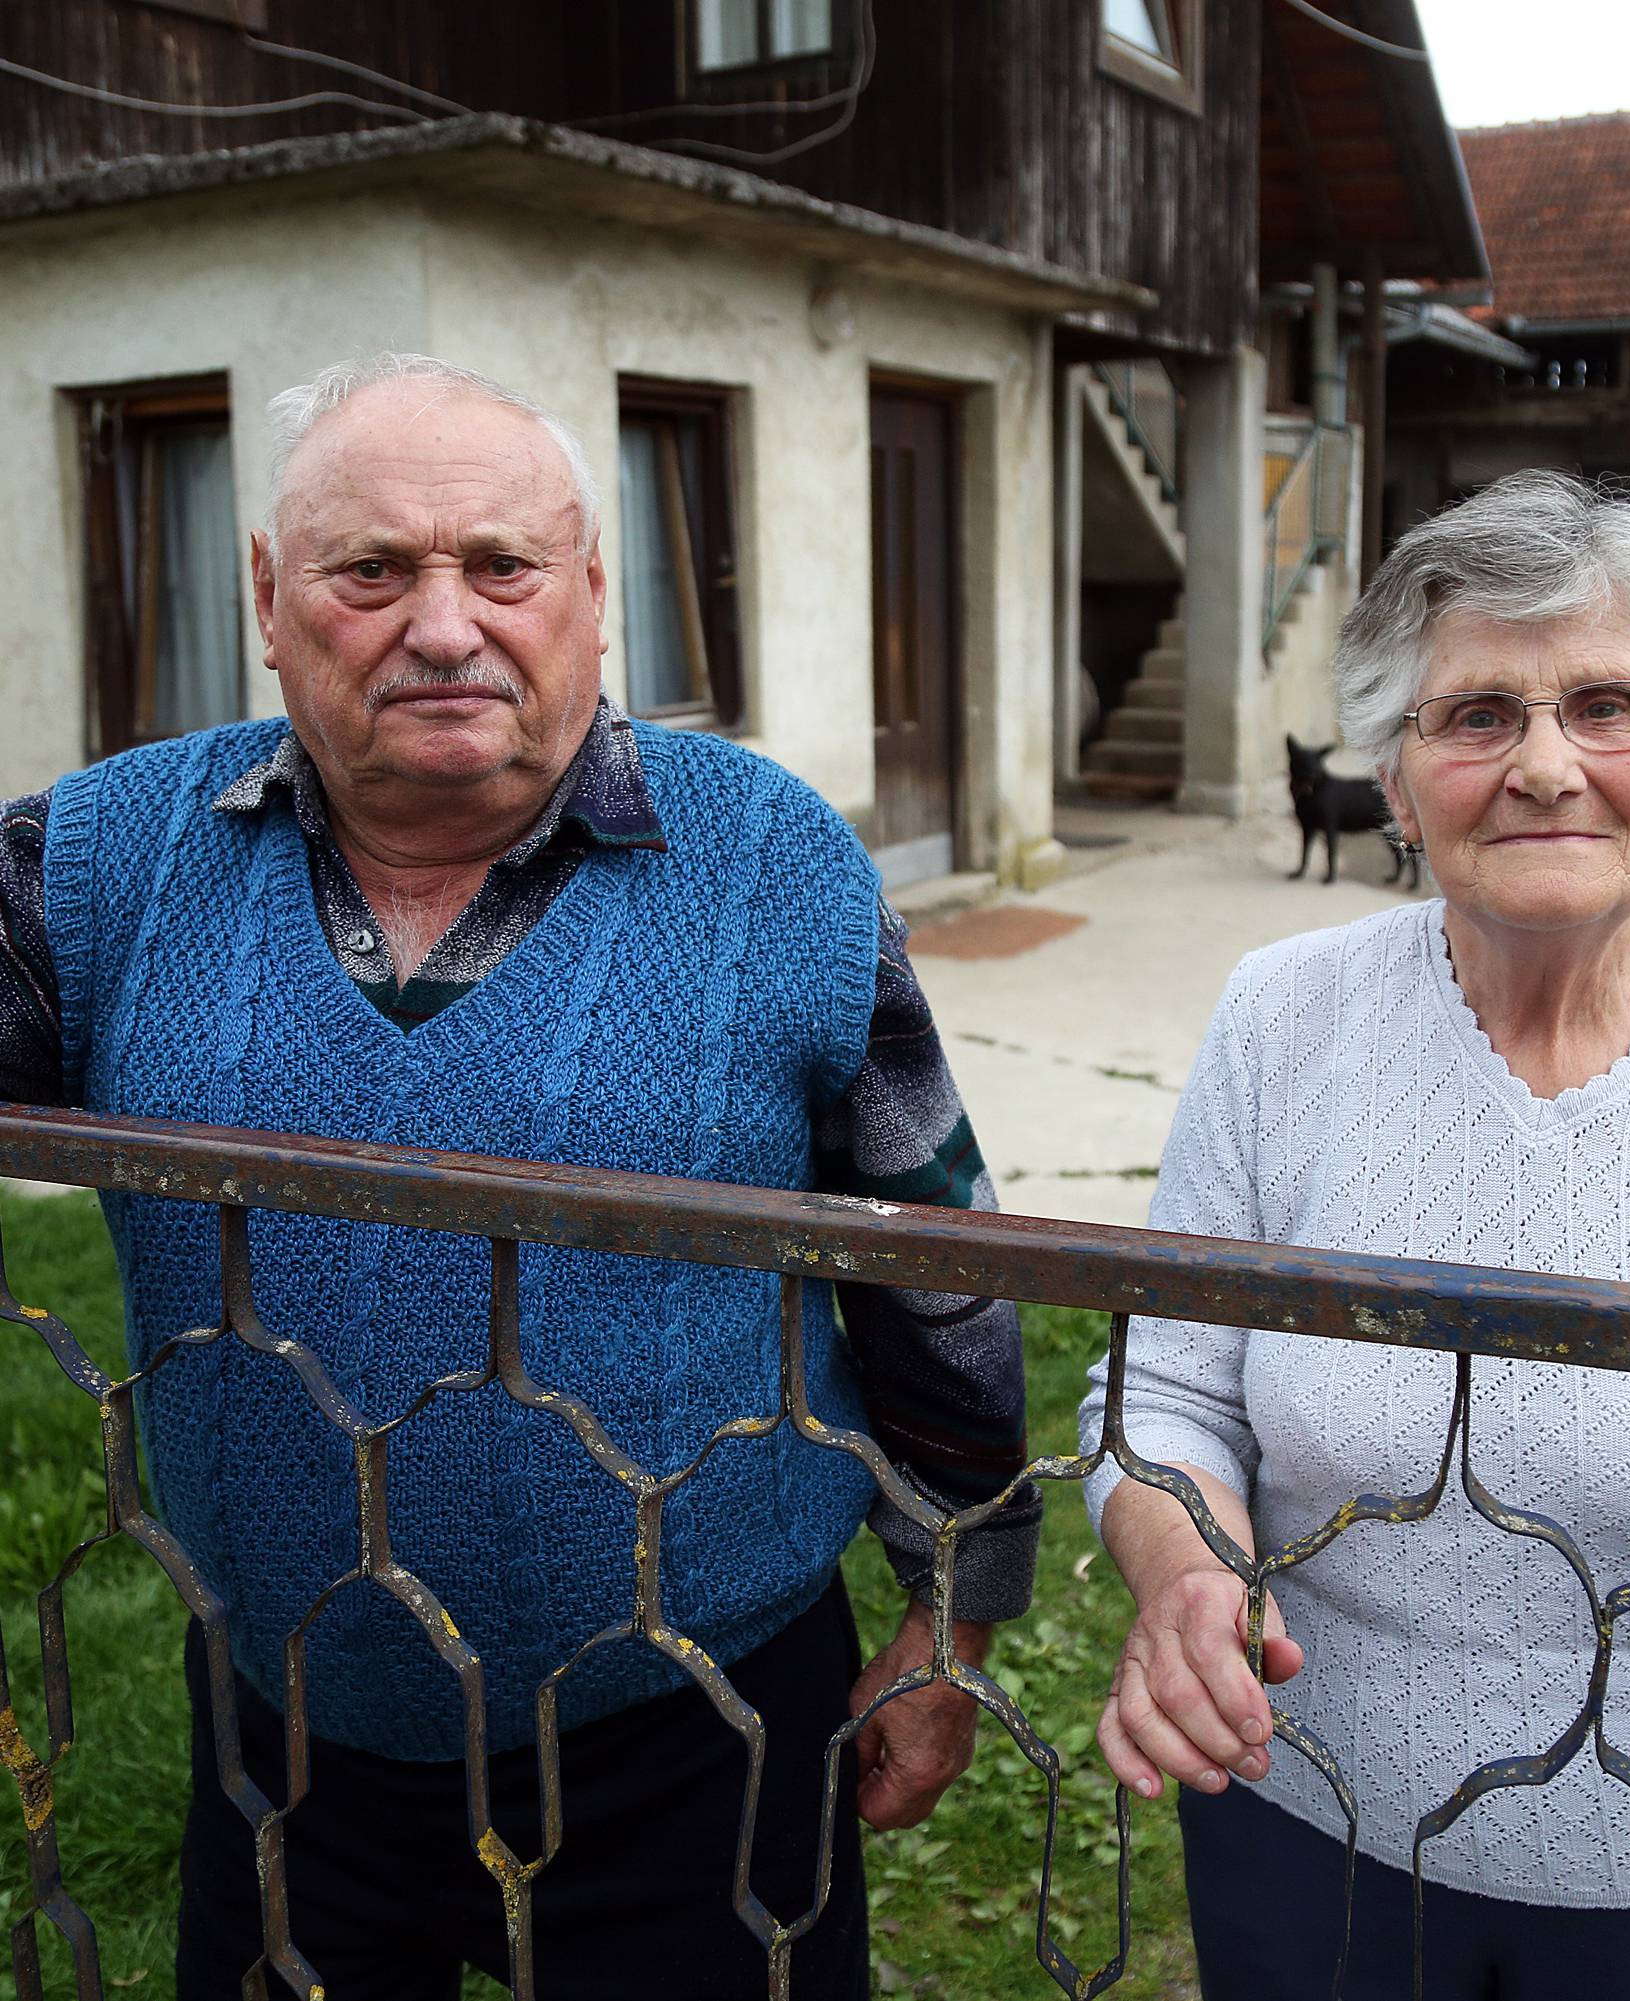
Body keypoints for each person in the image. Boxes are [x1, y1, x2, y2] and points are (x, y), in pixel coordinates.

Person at [0, 353, 1040, 1998]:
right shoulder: (106, 860)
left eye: (501, 564)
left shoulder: (773, 860)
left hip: (706, 1722)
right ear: (270, 597)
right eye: (371, 571)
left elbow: (934, 1254)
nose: (442, 624)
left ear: (592, 590)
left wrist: (956, 1615)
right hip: (287, 1724)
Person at [1079, 471, 1630, 2001]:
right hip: (1307, 1819)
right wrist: (1190, 1569)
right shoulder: (1284, 1019)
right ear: (1397, 785)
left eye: (1608, 704)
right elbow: (1170, 1390)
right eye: (1476, 716)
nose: (1545, 766)